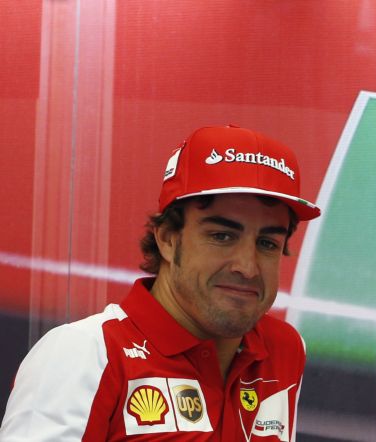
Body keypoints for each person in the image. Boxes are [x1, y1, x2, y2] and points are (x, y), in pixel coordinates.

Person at [0, 125, 321, 441]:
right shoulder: (83, 353)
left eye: (267, 243)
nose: (247, 268)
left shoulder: (283, 348)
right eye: (222, 236)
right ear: (167, 239)